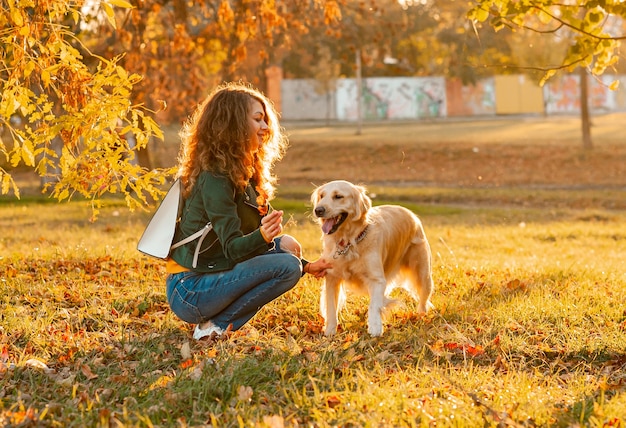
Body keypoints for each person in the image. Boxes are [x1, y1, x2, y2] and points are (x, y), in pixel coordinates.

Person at [165, 82, 331, 340]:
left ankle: (215, 322)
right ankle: (215, 326)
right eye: (257, 119)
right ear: (232, 125)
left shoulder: (244, 173)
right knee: (287, 266)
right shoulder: (215, 179)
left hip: (215, 272)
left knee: (289, 247)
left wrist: (307, 266)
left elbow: (247, 249)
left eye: (265, 120)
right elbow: (233, 248)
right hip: (190, 290)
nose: (266, 127)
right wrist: (264, 237)